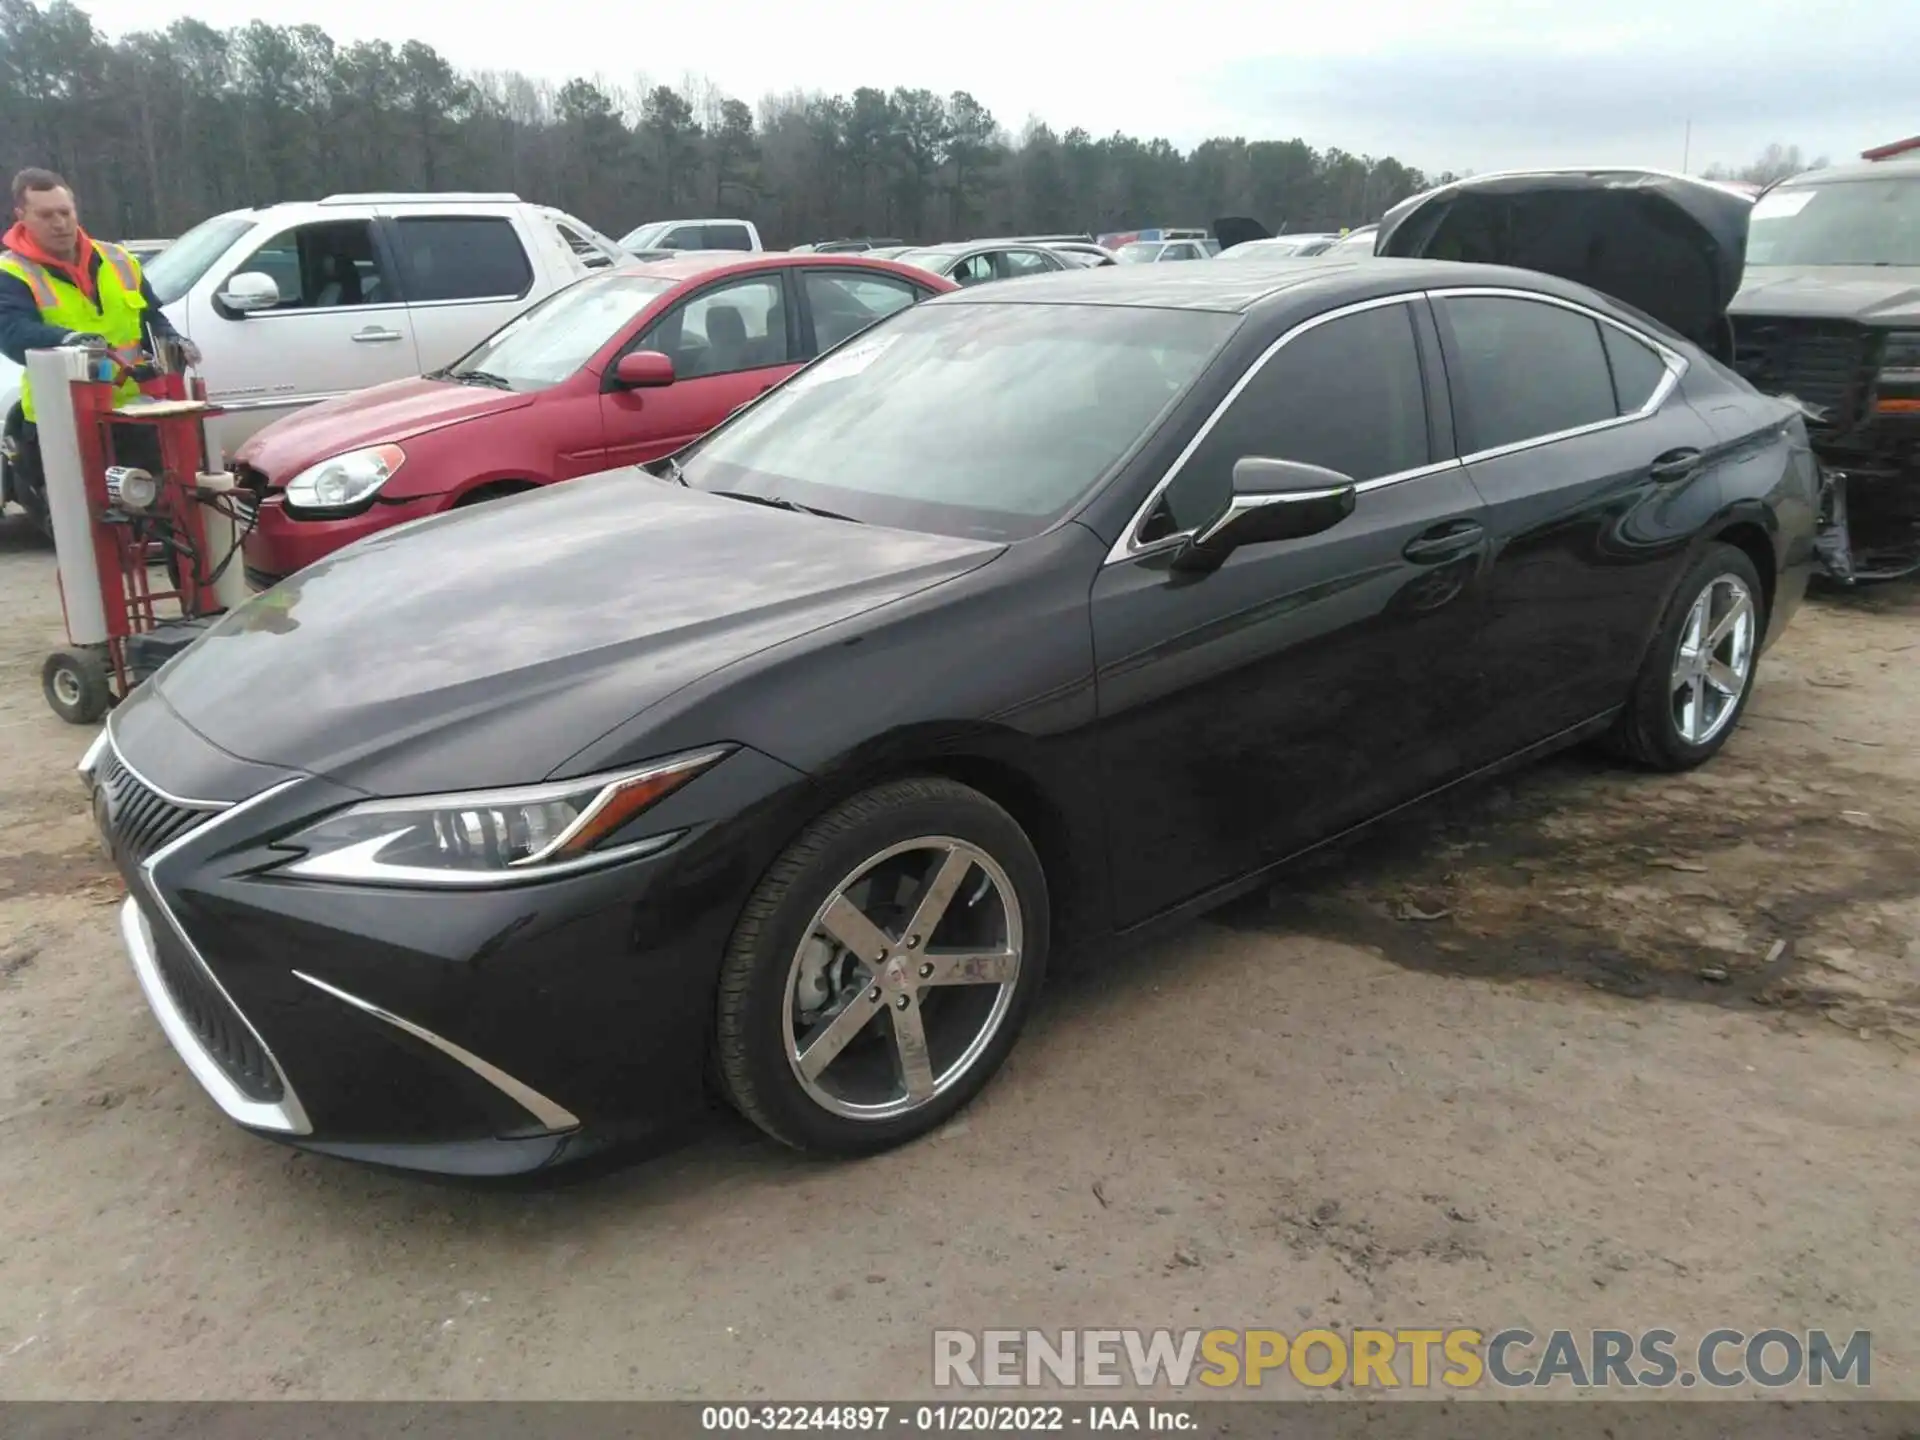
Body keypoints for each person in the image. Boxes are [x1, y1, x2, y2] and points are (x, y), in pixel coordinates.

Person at [0, 167, 200, 532]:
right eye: (46, 215)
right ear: (21, 217)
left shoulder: (118, 259)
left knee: (169, 521)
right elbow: (13, 334)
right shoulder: (12, 271)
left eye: (65, 212)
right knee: (86, 537)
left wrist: (173, 339)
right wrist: (66, 340)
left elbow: (150, 316)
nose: (59, 223)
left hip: (131, 414)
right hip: (62, 419)